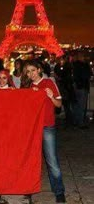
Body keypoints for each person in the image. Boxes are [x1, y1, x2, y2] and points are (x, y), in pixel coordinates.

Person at [25, 60, 66, 204]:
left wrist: (51, 96)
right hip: (34, 128)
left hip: (47, 126)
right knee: (31, 160)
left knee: (52, 161)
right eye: (28, 72)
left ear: (39, 69)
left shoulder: (49, 83)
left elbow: (59, 104)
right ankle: (29, 189)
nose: (31, 74)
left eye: (33, 70)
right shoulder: (30, 86)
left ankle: (59, 191)